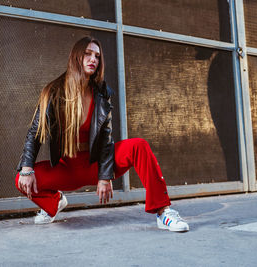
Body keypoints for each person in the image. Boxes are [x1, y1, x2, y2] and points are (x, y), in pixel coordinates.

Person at [15, 36, 189, 232]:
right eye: (87, 54)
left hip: (96, 165)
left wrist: (104, 177)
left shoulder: (101, 93)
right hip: (68, 169)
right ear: (76, 57)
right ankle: (54, 202)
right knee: (22, 178)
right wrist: (27, 168)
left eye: (97, 56)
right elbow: (35, 133)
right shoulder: (53, 92)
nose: (93, 60)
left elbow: (106, 139)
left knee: (138, 146)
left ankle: (163, 212)